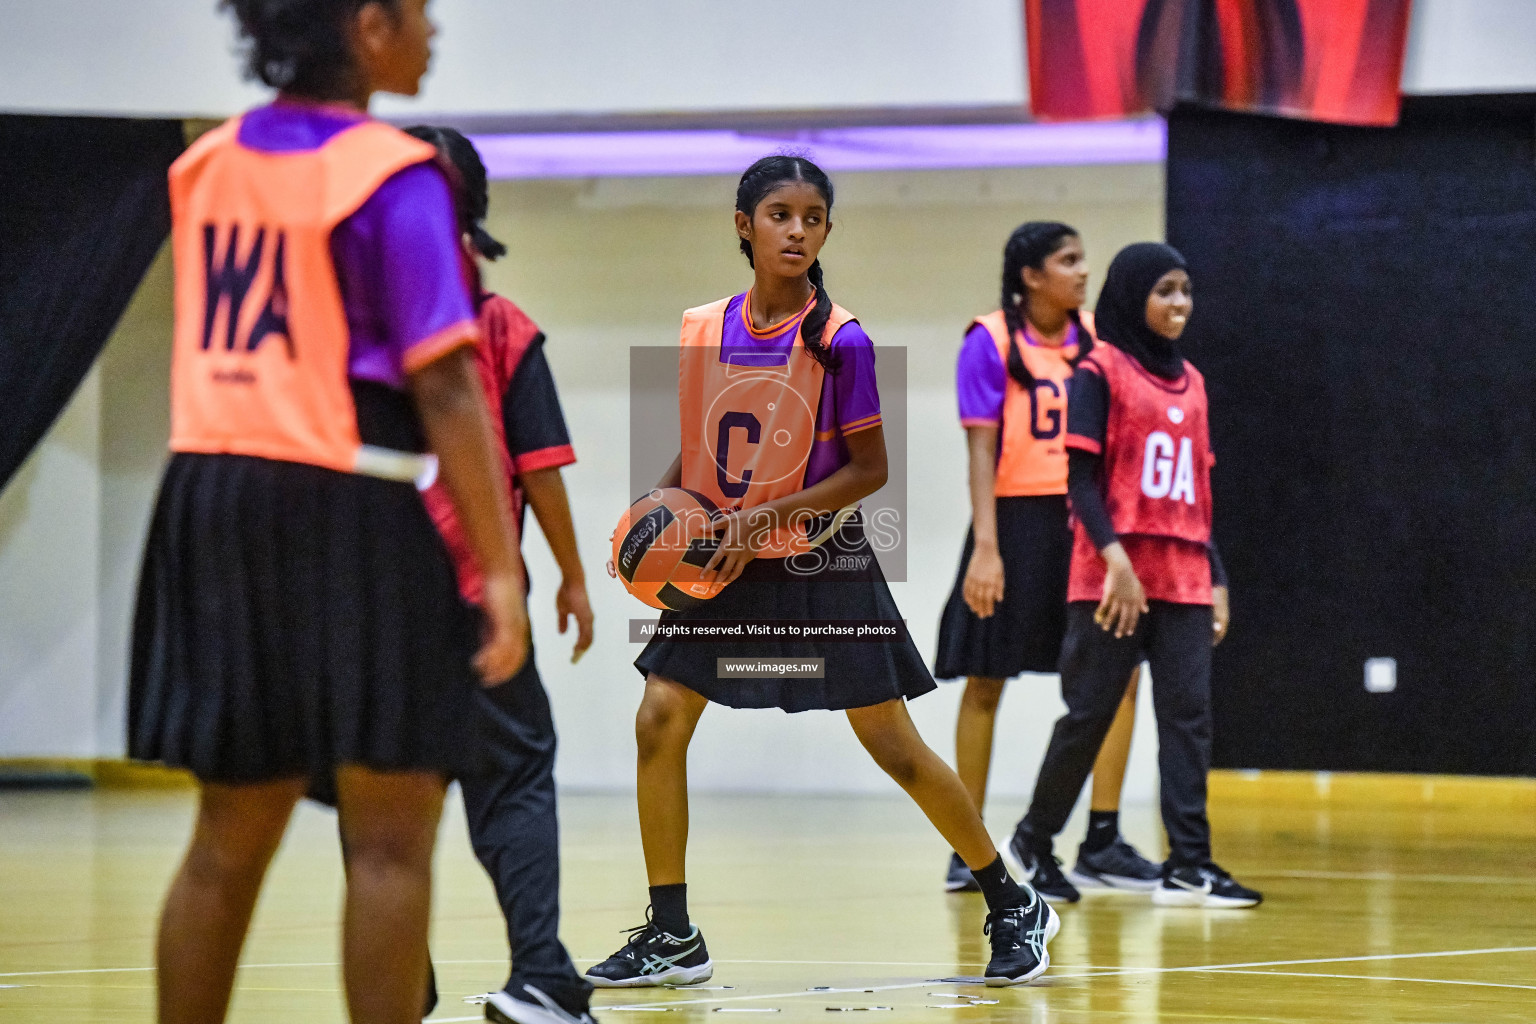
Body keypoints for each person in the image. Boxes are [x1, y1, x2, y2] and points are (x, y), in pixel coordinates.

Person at [127, 3, 529, 1023]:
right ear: (367, 23)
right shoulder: (390, 173)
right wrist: (500, 570)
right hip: (342, 497)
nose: (436, 30)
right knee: (391, 834)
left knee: (227, 837)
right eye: (422, 11)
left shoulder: (206, 164)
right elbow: (446, 387)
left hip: (209, 498)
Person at [587, 155, 1058, 991]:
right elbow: (701, 441)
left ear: (827, 231)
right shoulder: (703, 327)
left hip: (815, 554)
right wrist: (659, 508)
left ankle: (1010, 898)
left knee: (891, 742)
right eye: (779, 214)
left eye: (812, 216)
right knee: (659, 718)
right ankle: (671, 932)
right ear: (744, 226)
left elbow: (868, 470)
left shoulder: (844, 340)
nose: (796, 229)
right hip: (721, 555)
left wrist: (768, 516)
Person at [405, 124, 598, 1024]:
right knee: (515, 772)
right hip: (474, 587)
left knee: (389, 790)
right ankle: (543, 978)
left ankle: (397, 979)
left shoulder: (345, 310)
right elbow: (540, 463)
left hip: (362, 588)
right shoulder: (494, 320)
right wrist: (569, 576)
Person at [1012, 242, 1261, 908]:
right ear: (1133, 297)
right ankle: (1033, 844)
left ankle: (1190, 863)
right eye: (1165, 291)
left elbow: (1199, 497)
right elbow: (1080, 481)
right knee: (1088, 715)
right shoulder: (1100, 370)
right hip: (1111, 580)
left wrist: (1217, 578)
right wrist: (1115, 559)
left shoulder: (1196, 382)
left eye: (1185, 290)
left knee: (1188, 719)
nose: (1179, 303)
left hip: (1181, 575)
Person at [934, 223, 1160, 902]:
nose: (1084, 271)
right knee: (984, 679)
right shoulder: (990, 341)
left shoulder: (1099, 340)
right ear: (1031, 275)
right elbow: (980, 453)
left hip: (1086, 524)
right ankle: (965, 846)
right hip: (1016, 525)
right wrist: (986, 546)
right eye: (1069, 261)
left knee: (1120, 676)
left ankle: (1102, 838)